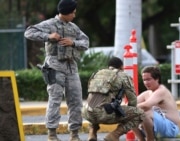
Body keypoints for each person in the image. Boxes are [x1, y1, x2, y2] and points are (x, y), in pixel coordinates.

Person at [24, 0, 89, 141]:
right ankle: (52, 134)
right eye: (72, 12)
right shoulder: (49, 24)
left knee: (76, 101)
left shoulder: (74, 27)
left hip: (72, 68)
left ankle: (74, 135)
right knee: (55, 100)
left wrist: (74, 43)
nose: (74, 15)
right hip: (54, 66)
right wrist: (48, 36)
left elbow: (85, 42)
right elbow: (29, 32)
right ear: (65, 12)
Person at [82, 57, 145, 141]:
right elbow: (132, 101)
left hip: (86, 112)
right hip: (104, 113)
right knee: (140, 114)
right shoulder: (123, 75)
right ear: (121, 67)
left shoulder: (96, 74)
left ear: (109, 66)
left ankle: (92, 133)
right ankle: (114, 135)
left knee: (94, 106)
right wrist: (127, 115)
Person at [133, 66, 180, 141]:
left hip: (171, 128)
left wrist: (128, 108)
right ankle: (141, 139)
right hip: (157, 127)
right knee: (129, 115)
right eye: (144, 80)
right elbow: (131, 103)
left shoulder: (161, 91)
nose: (145, 82)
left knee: (145, 113)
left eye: (148, 79)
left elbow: (146, 105)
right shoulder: (147, 93)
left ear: (157, 79)